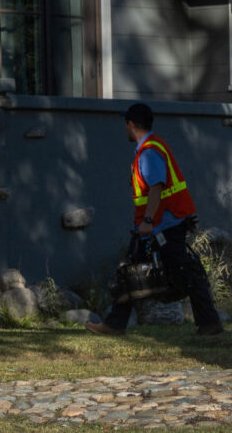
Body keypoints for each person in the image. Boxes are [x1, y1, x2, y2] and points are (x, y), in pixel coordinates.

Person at [86, 103, 223, 337]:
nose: (125, 129)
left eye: (126, 125)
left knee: (183, 273)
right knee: (133, 271)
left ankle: (209, 324)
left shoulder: (149, 151)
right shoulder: (152, 147)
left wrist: (148, 220)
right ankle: (115, 324)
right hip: (161, 224)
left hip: (163, 225)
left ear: (131, 124)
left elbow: (156, 188)